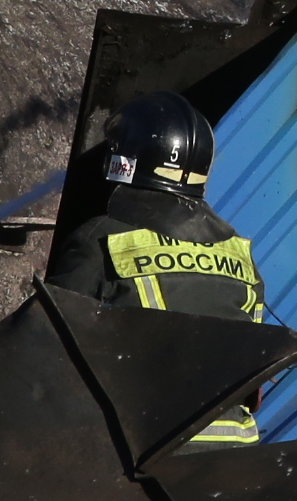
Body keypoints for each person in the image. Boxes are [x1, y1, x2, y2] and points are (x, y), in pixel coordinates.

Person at [44, 91, 267, 445]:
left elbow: (41, 348)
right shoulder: (240, 253)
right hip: (234, 455)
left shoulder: (101, 239)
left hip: (146, 453)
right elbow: (253, 372)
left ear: (124, 160)